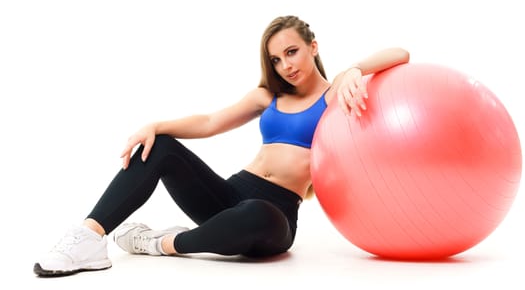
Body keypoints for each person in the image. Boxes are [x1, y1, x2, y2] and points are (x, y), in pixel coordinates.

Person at [34, 15, 409, 276]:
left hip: (273, 214)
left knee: (255, 214)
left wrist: (357, 70)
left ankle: (161, 243)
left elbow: (400, 54)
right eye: (276, 59)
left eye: (292, 52)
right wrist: (156, 125)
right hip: (231, 192)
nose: (285, 66)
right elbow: (212, 123)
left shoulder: (335, 93)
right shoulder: (268, 97)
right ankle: (88, 238)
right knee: (161, 146)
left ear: (313, 47)